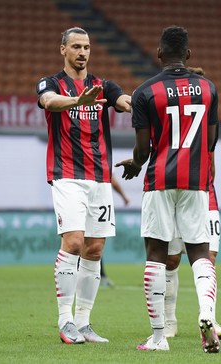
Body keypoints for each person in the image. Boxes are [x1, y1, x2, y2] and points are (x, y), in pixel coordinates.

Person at [116, 26, 220, 353]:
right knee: (200, 252)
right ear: (188, 55)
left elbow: (143, 150)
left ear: (159, 53)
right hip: (196, 180)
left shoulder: (146, 92)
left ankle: (159, 337)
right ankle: (206, 314)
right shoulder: (208, 88)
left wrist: (134, 165)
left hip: (160, 180)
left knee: (157, 255)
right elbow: (212, 140)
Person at [36, 26, 131, 345]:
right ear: (62, 49)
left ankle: (84, 323)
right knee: (74, 242)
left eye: (87, 47)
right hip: (67, 175)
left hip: (100, 177)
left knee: (95, 248)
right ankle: (65, 320)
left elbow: (124, 101)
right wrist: (77, 100)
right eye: (76, 46)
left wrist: (142, 104)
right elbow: (48, 102)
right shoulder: (50, 83)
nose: (82, 52)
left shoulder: (104, 85)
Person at [163, 66, 221, 341]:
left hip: (205, 193)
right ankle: (169, 320)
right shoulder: (170, 114)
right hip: (174, 192)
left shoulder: (207, 114)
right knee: (170, 258)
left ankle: (210, 319)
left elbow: (212, 153)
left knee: (208, 257)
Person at [99, 175, 130, 288]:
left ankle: (100, 275)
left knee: (91, 243)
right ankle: (99, 276)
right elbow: (113, 180)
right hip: (96, 203)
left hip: (93, 203)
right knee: (93, 241)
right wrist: (124, 196)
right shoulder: (102, 158)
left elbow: (112, 179)